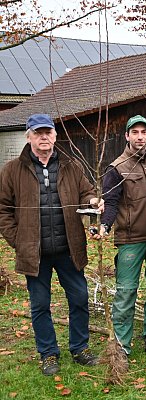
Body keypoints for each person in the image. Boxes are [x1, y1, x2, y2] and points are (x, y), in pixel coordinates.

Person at [0, 114, 103, 375]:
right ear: (29, 137)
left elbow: (87, 192)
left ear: (55, 136)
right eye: (38, 133)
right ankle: (48, 354)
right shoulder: (12, 170)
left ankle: (80, 348)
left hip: (69, 248)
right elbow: (3, 210)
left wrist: (93, 201)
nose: (44, 137)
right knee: (40, 304)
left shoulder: (71, 165)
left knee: (79, 298)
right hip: (34, 253)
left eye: (48, 132)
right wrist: (18, 240)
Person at [100, 115, 146, 359]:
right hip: (131, 240)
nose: (140, 136)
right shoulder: (117, 168)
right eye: (135, 132)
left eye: (144, 132)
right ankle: (121, 345)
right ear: (127, 136)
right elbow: (111, 203)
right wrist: (105, 226)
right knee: (126, 291)